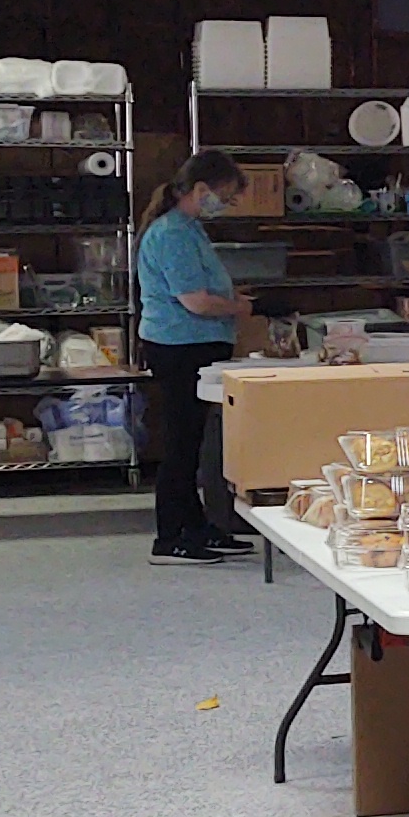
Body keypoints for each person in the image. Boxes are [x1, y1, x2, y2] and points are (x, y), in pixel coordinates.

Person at [135, 152, 250, 566]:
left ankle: (197, 526)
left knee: (195, 441)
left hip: (198, 345)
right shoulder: (170, 234)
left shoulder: (190, 229)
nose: (227, 205)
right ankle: (169, 537)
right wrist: (238, 308)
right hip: (180, 347)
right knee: (181, 444)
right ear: (201, 190)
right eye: (226, 197)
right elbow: (196, 302)